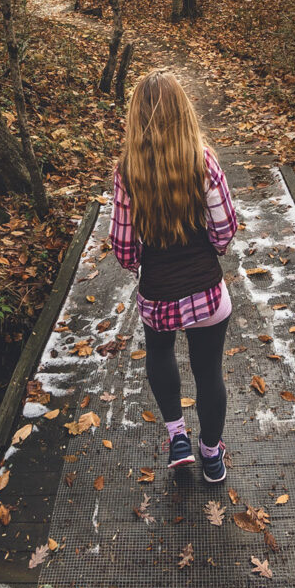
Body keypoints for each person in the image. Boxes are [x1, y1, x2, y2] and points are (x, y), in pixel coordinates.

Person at [110, 71, 238, 482]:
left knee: (160, 355)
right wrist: (211, 252)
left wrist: (140, 264)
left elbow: (124, 247)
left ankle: (177, 437)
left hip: (158, 295)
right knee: (209, 372)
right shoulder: (204, 162)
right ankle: (212, 454)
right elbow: (225, 230)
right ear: (183, 112)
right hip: (207, 293)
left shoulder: (127, 172)